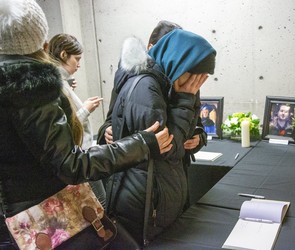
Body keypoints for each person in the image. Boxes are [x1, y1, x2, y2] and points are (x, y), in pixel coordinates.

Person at [0, 0, 173, 248]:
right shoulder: (30, 89)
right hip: (44, 219)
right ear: (41, 39)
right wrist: (141, 144)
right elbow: (70, 165)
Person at [105, 28, 216, 245]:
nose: (195, 83)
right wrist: (185, 101)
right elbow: (166, 148)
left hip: (159, 193)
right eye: (193, 76)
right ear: (179, 63)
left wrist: (197, 136)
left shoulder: (168, 83)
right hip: (146, 200)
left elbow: (192, 128)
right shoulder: (147, 87)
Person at [97, 20, 207, 209]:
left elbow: (196, 123)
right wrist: (106, 130)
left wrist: (199, 137)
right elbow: (113, 118)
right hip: (145, 184)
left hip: (172, 178)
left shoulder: (184, 79)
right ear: (151, 47)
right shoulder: (139, 82)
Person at [47, 33, 107, 208]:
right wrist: (85, 109)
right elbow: (65, 127)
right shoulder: (56, 84)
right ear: (64, 55)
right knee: (101, 205)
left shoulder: (61, 82)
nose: (79, 64)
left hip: (79, 156)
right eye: (77, 59)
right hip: (79, 158)